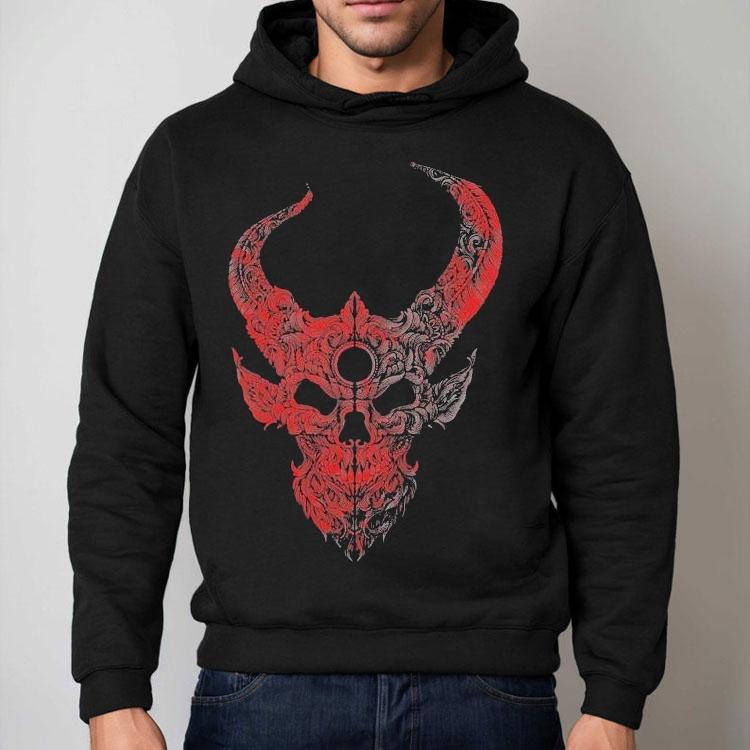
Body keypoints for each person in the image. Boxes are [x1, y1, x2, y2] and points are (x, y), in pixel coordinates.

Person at [68, 0, 679, 747]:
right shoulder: (192, 156)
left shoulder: (564, 155)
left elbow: (621, 442)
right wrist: (112, 688)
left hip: (492, 696)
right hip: (259, 696)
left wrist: (615, 697)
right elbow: (126, 439)